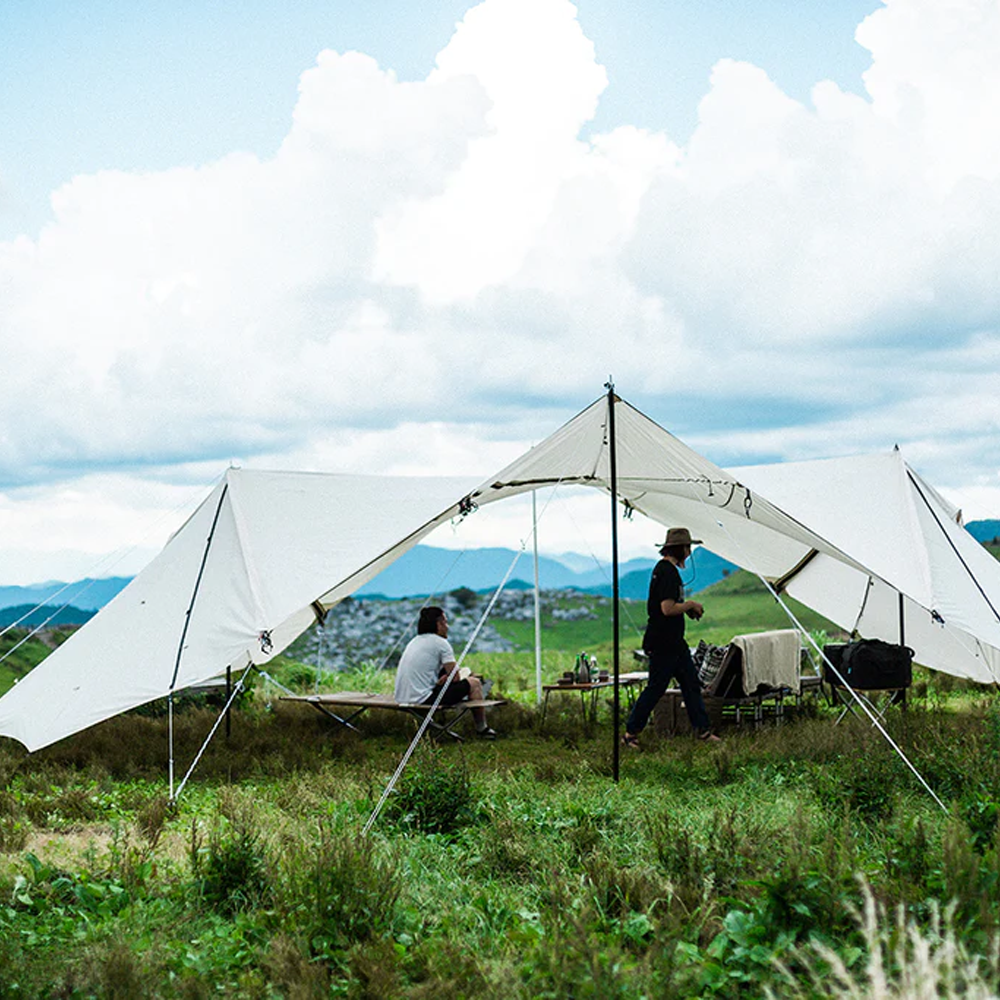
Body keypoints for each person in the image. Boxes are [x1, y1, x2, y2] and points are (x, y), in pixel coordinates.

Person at [622, 527, 720, 747]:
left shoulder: (665, 570)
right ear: (681, 549)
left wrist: (685, 610)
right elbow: (666, 608)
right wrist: (691, 605)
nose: (689, 552)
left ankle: (703, 732)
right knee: (656, 688)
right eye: (688, 547)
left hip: (674, 642)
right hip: (664, 643)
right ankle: (630, 734)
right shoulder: (667, 572)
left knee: (691, 685)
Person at [394, 606, 498, 739]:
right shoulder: (441, 643)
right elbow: (455, 677)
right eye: (445, 622)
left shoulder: (414, 641)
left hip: (402, 698)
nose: (447, 627)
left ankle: (436, 727)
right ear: (438, 624)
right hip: (423, 700)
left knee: (464, 679)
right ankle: (482, 728)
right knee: (475, 682)